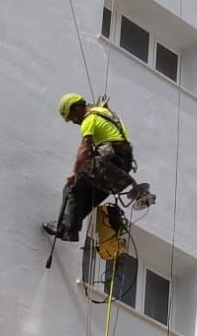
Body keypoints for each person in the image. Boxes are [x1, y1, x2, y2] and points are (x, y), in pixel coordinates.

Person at [44, 94, 136, 242]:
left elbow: (84, 148)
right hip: (125, 164)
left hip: (112, 160)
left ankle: (64, 227)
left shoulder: (89, 119)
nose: (74, 122)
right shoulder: (105, 113)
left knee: (73, 187)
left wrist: (74, 172)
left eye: (72, 116)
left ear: (78, 108)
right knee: (91, 196)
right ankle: (69, 227)